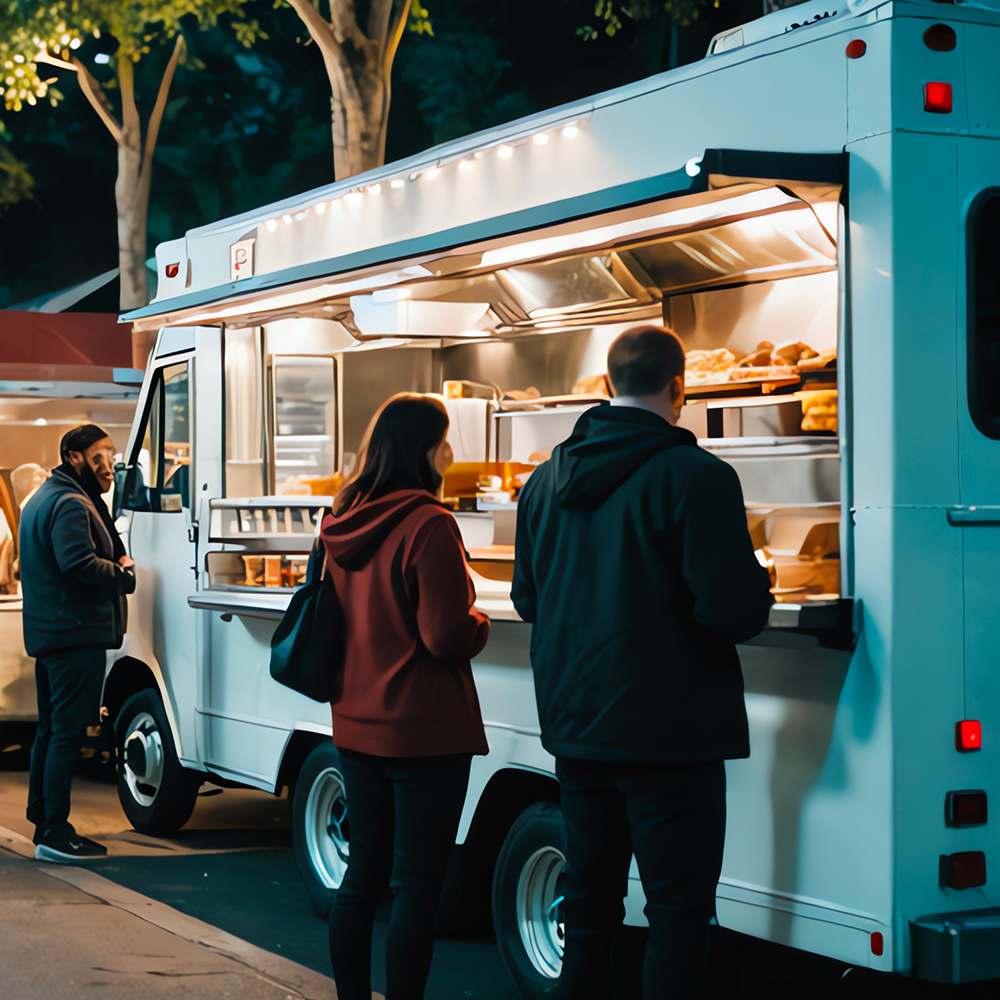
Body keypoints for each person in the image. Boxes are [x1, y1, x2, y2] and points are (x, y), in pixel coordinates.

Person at [511, 325, 773, 999]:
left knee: (590, 911)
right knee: (677, 919)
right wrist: (760, 579)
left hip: (578, 731)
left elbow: (526, 599)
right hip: (670, 740)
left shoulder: (543, 482)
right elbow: (733, 612)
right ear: (678, 388)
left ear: (606, 388)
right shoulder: (699, 477)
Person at [321, 393, 490, 1000]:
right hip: (424, 729)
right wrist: (481, 624)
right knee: (418, 884)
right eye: (444, 441)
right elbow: (443, 634)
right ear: (424, 449)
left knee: (361, 877)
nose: (450, 453)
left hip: (357, 722)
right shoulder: (431, 523)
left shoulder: (341, 519)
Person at [19, 424, 135, 862]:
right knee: (66, 733)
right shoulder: (69, 502)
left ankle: (43, 820)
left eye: (111, 454)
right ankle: (54, 832)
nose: (107, 465)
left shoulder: (47, 496)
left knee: (51, 731)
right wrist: (122, 575)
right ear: (74, 456)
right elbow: (78, 562)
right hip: (74, 633)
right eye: (98, 456)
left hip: (53, 634)